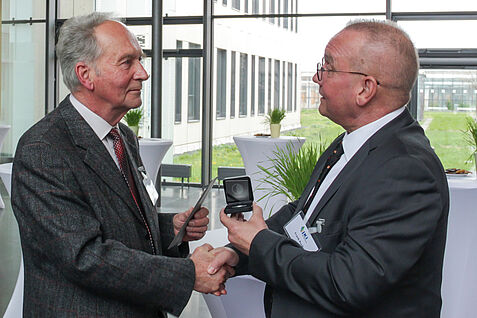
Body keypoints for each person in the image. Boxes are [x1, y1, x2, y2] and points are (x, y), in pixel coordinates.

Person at [209, 20, 449, 318]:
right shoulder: (351, 141)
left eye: (328, 68)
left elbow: (349, 283)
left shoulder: (406, 169)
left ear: (365, 89)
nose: (315, 78)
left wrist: (259, 244)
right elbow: (306, 215)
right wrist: (239, 252)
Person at [12, 12, 229, 317]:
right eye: (127, 62)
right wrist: (188, 274)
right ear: (85, 75)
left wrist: (170, 228)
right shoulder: (43, 149)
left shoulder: (122, 135)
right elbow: (84, 256)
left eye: (139, 60)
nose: (143, 73)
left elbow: (122, 221)